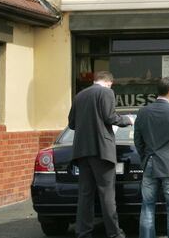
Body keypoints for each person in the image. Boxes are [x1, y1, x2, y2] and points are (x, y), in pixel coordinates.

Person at [67, 71, 133, 238]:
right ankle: (114, 234)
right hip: (102, 150)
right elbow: (111, 117)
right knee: (106, 194)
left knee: (85, 195)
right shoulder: (106, 92)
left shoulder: (79, 95)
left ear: (95, 80)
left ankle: (83, 232)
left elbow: (72, 124)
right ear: (109, 82)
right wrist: (128, 120)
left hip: (82, 151)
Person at [134, 77, 169, 238]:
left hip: (150, 162)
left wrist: (144, 157)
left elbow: (138, 140)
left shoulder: (143, 112)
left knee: (147, 207)